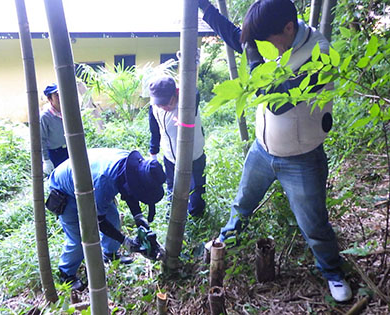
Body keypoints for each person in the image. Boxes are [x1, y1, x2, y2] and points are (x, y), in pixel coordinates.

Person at [198, 0, 352, 302]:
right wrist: (205, 9)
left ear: (288, 28)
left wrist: (254, 62)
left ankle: (333, 273)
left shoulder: (320, 54)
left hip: (302, 158)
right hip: (262, 150)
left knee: (314, 224)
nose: (261, 46)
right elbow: (235, 37)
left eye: (265, 41)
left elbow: (279, 102)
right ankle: (224, 240)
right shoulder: (271, 40)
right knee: (242, 202)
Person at [46, 148, 166, 291]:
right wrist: (125, 241)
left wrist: (138, 217)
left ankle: (110, 254)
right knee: (78, 237)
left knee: (113, 218)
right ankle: (66, 274)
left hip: (90, 181)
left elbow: (129, 189)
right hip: (65, 189)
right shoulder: (105, 182)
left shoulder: (131, 166)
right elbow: (98, 221)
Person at [148, 76, 206, 217]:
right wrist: (153, 155)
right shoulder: (155, 108)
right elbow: (154, 132)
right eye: (159, 104)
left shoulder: (188, 104)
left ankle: (197, 220)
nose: (164, 107)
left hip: (194, 157)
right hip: (170, 158)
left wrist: (184, 89)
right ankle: (174, 217)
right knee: (172, 191)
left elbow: (195, 92)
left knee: (196, 198)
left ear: (176, 94)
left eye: (167, 103)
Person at [40, 84, 68, 175]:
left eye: (61, 94)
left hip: (69, 149)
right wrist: (46, 160)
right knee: (57, 180)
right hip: (55, 153)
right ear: (49, 99)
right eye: (56, 95)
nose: (60, 97)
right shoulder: (45, 116)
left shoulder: (68, 110)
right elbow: (41, 139)